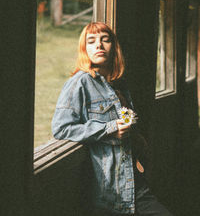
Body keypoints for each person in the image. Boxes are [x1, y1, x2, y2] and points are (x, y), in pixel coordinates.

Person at [52, 22, 173, 216]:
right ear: (84, 49)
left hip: (136, 186)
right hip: (108, 193)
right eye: (91, 41)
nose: (98, 45)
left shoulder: (119, 83)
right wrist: (109, 128)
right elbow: (61, 128)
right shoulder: (80, 82)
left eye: (104, 39)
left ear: (113, 46)